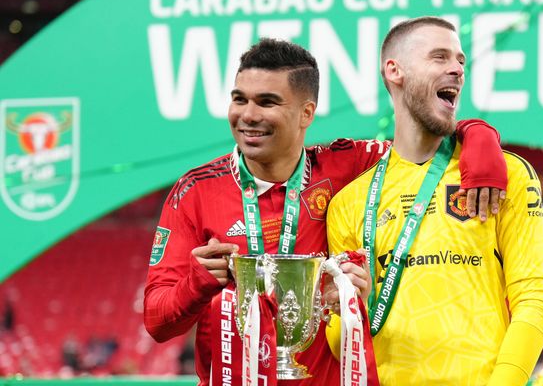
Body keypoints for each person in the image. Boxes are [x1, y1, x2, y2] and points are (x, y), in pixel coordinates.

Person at [143, 38, 508, 386]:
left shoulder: (347, 167)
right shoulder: (195, 191)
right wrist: (197, 283)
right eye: (240, 99)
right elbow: (157, 322)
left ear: (306, 113)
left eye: (267, 102)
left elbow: (425, 139)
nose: (248, 115)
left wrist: (478, 133)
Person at [326, 16, 543, 385]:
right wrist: (353, 311)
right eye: (440, 57)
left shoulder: (506, 174)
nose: (457, 70)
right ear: (394, 70)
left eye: (461, 61)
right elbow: (340, 341)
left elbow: (534, 300)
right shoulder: (349, 203)